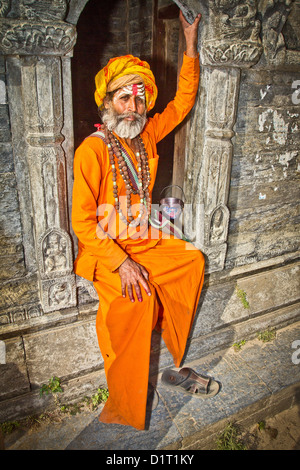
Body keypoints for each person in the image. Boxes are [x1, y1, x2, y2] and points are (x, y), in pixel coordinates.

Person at [72, 11, 212, 431]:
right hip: (106, 249)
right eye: (124, 98)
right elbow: (82, 223)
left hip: (142, 236)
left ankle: (170, 354)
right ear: (108, 102)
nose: (133, 107)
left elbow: (183, 103)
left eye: (139, 99)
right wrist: (123, 263)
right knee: (137, 300)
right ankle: (124, 407)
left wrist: (190, 46)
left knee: (192, 262)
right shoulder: (92, 151)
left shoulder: (146, 133)